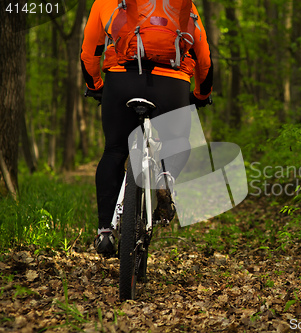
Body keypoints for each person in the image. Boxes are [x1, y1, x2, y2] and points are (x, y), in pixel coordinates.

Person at [80, 0, 213, 256]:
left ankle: (105, 232)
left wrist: (95, 86)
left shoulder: (105, 2)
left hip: (121, 80)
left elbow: (89, 52)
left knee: (114, 151)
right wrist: (201, 94)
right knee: (178, 141)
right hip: (172, 84)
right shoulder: (185, 5)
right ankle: (166, 178)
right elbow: (203, 59)